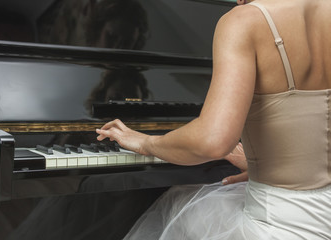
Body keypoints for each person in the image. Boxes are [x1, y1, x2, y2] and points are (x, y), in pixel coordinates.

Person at [96, 0, 331, 239]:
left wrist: (147, 143)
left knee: (176, 202)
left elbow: (213, 141)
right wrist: (280, 167)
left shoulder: (244, 21)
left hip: (277, 228)